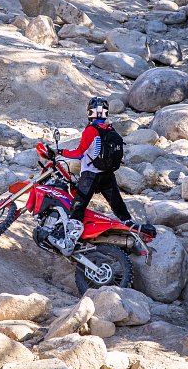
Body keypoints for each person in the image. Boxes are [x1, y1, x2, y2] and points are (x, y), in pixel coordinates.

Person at [47, 96, 131, 255]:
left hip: (91, 176)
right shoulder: (110, 130)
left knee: (77, 209)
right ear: (105, 113)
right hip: (108, 175)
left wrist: (59, 152)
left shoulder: (91, 130)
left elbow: (78, 154)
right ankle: (131, 229)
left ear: (89, 113)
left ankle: (69, 242)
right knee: (119, 207)